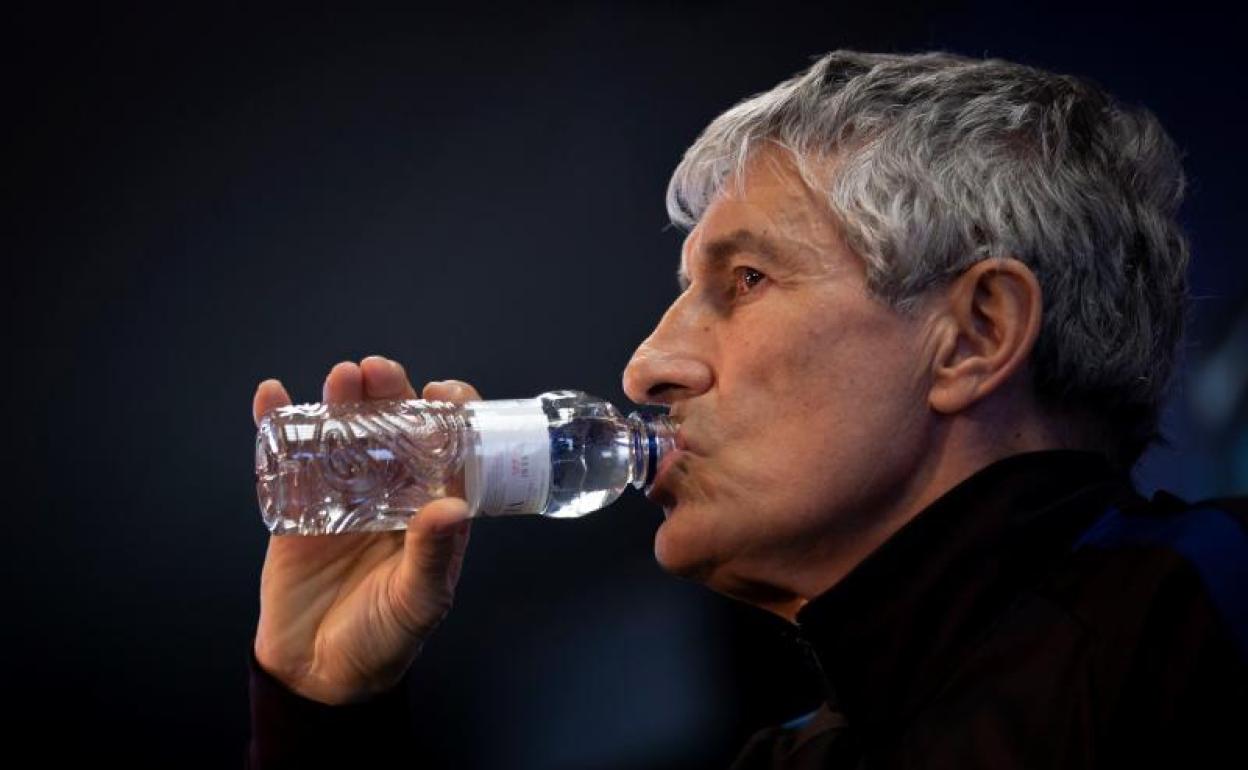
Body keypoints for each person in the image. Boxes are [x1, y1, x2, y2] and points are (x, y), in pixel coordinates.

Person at [245, 50, 1247, 768]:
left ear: (976, 333)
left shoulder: (1212, 615)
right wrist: (327, 711)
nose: (645, 367)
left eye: (747, 279)